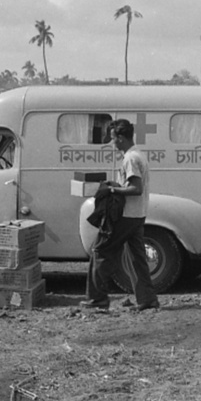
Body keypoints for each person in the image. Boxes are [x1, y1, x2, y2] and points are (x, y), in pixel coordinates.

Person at [81, 119, 160, 311]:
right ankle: (147, 299)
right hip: (137, 215)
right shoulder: (138, 154)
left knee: (100, 252)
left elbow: (136, 188)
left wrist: (113, 191)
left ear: (122, 138)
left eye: (114, 138)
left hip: (125, 216)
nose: (112, 143)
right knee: (136, 259)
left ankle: (96, 300)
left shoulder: (130, 159)